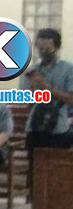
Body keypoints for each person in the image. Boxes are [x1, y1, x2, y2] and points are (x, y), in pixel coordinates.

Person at [20, 28, 73, 192]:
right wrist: (30, 88)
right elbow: (26, 102)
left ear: (57, 47)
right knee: (35, 174)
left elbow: (70, 99)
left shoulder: (68, 69)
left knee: (56, 175)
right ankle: (35, 207)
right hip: (35, 127)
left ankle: (54, 207)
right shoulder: (32, 70)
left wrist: (45, 87)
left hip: (58, 130)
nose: (43, 52)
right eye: (40, 48)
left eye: (47, 49)